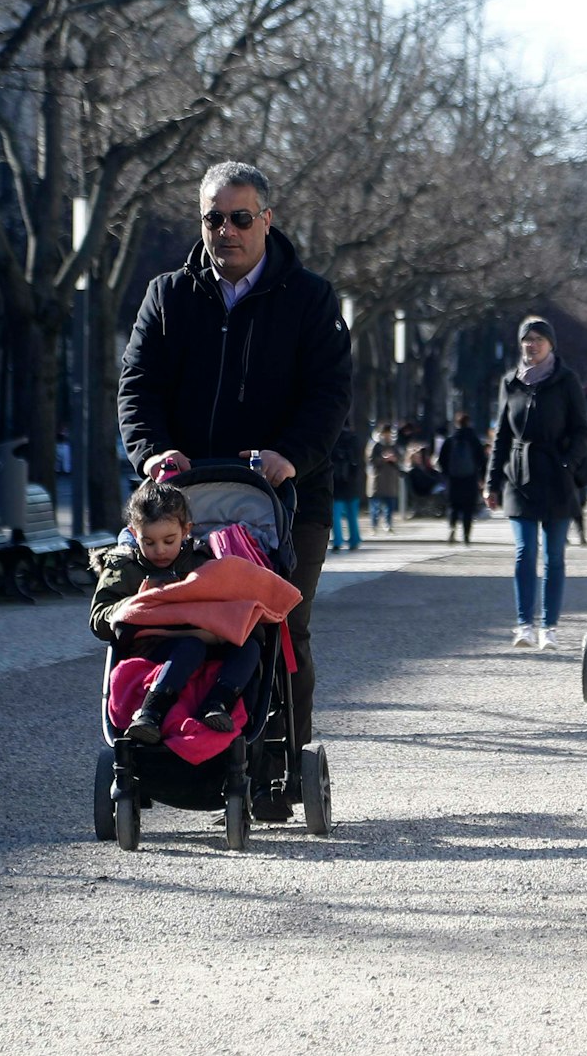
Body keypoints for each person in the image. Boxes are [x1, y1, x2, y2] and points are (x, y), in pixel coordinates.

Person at [117, 160, 351, 822]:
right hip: (185, 499)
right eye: (213, 218)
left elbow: (330, 397)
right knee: (181, 624)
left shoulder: (310, 299)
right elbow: (138, 388)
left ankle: (283, 764)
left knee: (283, 627)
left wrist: (289, 456)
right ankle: (180, 745)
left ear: (266, 221)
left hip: (287, 495)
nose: (226, 230)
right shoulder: (169, 295)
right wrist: (152, 450)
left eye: (239, 217)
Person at [91, 483, 261, 743]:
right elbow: (99, 616)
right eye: (148, 542)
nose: (159, 550)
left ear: (186, 531)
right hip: (154, 648)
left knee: (250, 647)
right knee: (190, 646)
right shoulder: (124, 566)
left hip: (207, 641)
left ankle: (217, 704)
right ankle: (150, 713)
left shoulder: (203, 560)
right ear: (134, 534)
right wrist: (131, 607)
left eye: (168, 541)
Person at [487, 316, 587, 651]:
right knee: (523, 552)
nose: (531, 345)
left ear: (550, 344)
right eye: (526, 340)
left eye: (538, 339)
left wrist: (567, 463)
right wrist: (491, 481)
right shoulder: (510, 382)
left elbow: (582, 430)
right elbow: (502, 435)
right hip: (519, 478)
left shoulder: (566, 380)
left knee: (554, 555)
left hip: (557, 477)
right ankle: (523, 625)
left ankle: (549, 626)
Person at [437, 411, 486, 544]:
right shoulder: (474, 439)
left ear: (456, 423)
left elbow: (441, 460)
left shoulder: (450, 439)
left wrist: (447, 474)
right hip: (470, 479)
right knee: (468, 508)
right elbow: (482, 459)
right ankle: (466, 535)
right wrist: (481, 476)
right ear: (469, 423)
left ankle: (452, 528)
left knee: (453, 506)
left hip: (453, 480)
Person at [329, 423, 363, 553]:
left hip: (336, 482)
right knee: (352, 514)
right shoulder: (354, 439)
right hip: (351, 482)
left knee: (335, 514)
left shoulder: (333, 439)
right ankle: (354, 540)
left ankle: (337, 541)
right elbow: (359, 461)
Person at [368, 426, 401, 532]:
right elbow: (370, 461)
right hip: (377, 480)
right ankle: (374, 525)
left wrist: (394, 459)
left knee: (389, 505)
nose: (387, 436)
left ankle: (388, 524)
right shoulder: (375, 446)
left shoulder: (394, 446)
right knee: (375, 505)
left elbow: (400, 460)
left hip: (390, 480)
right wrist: (382, 459)